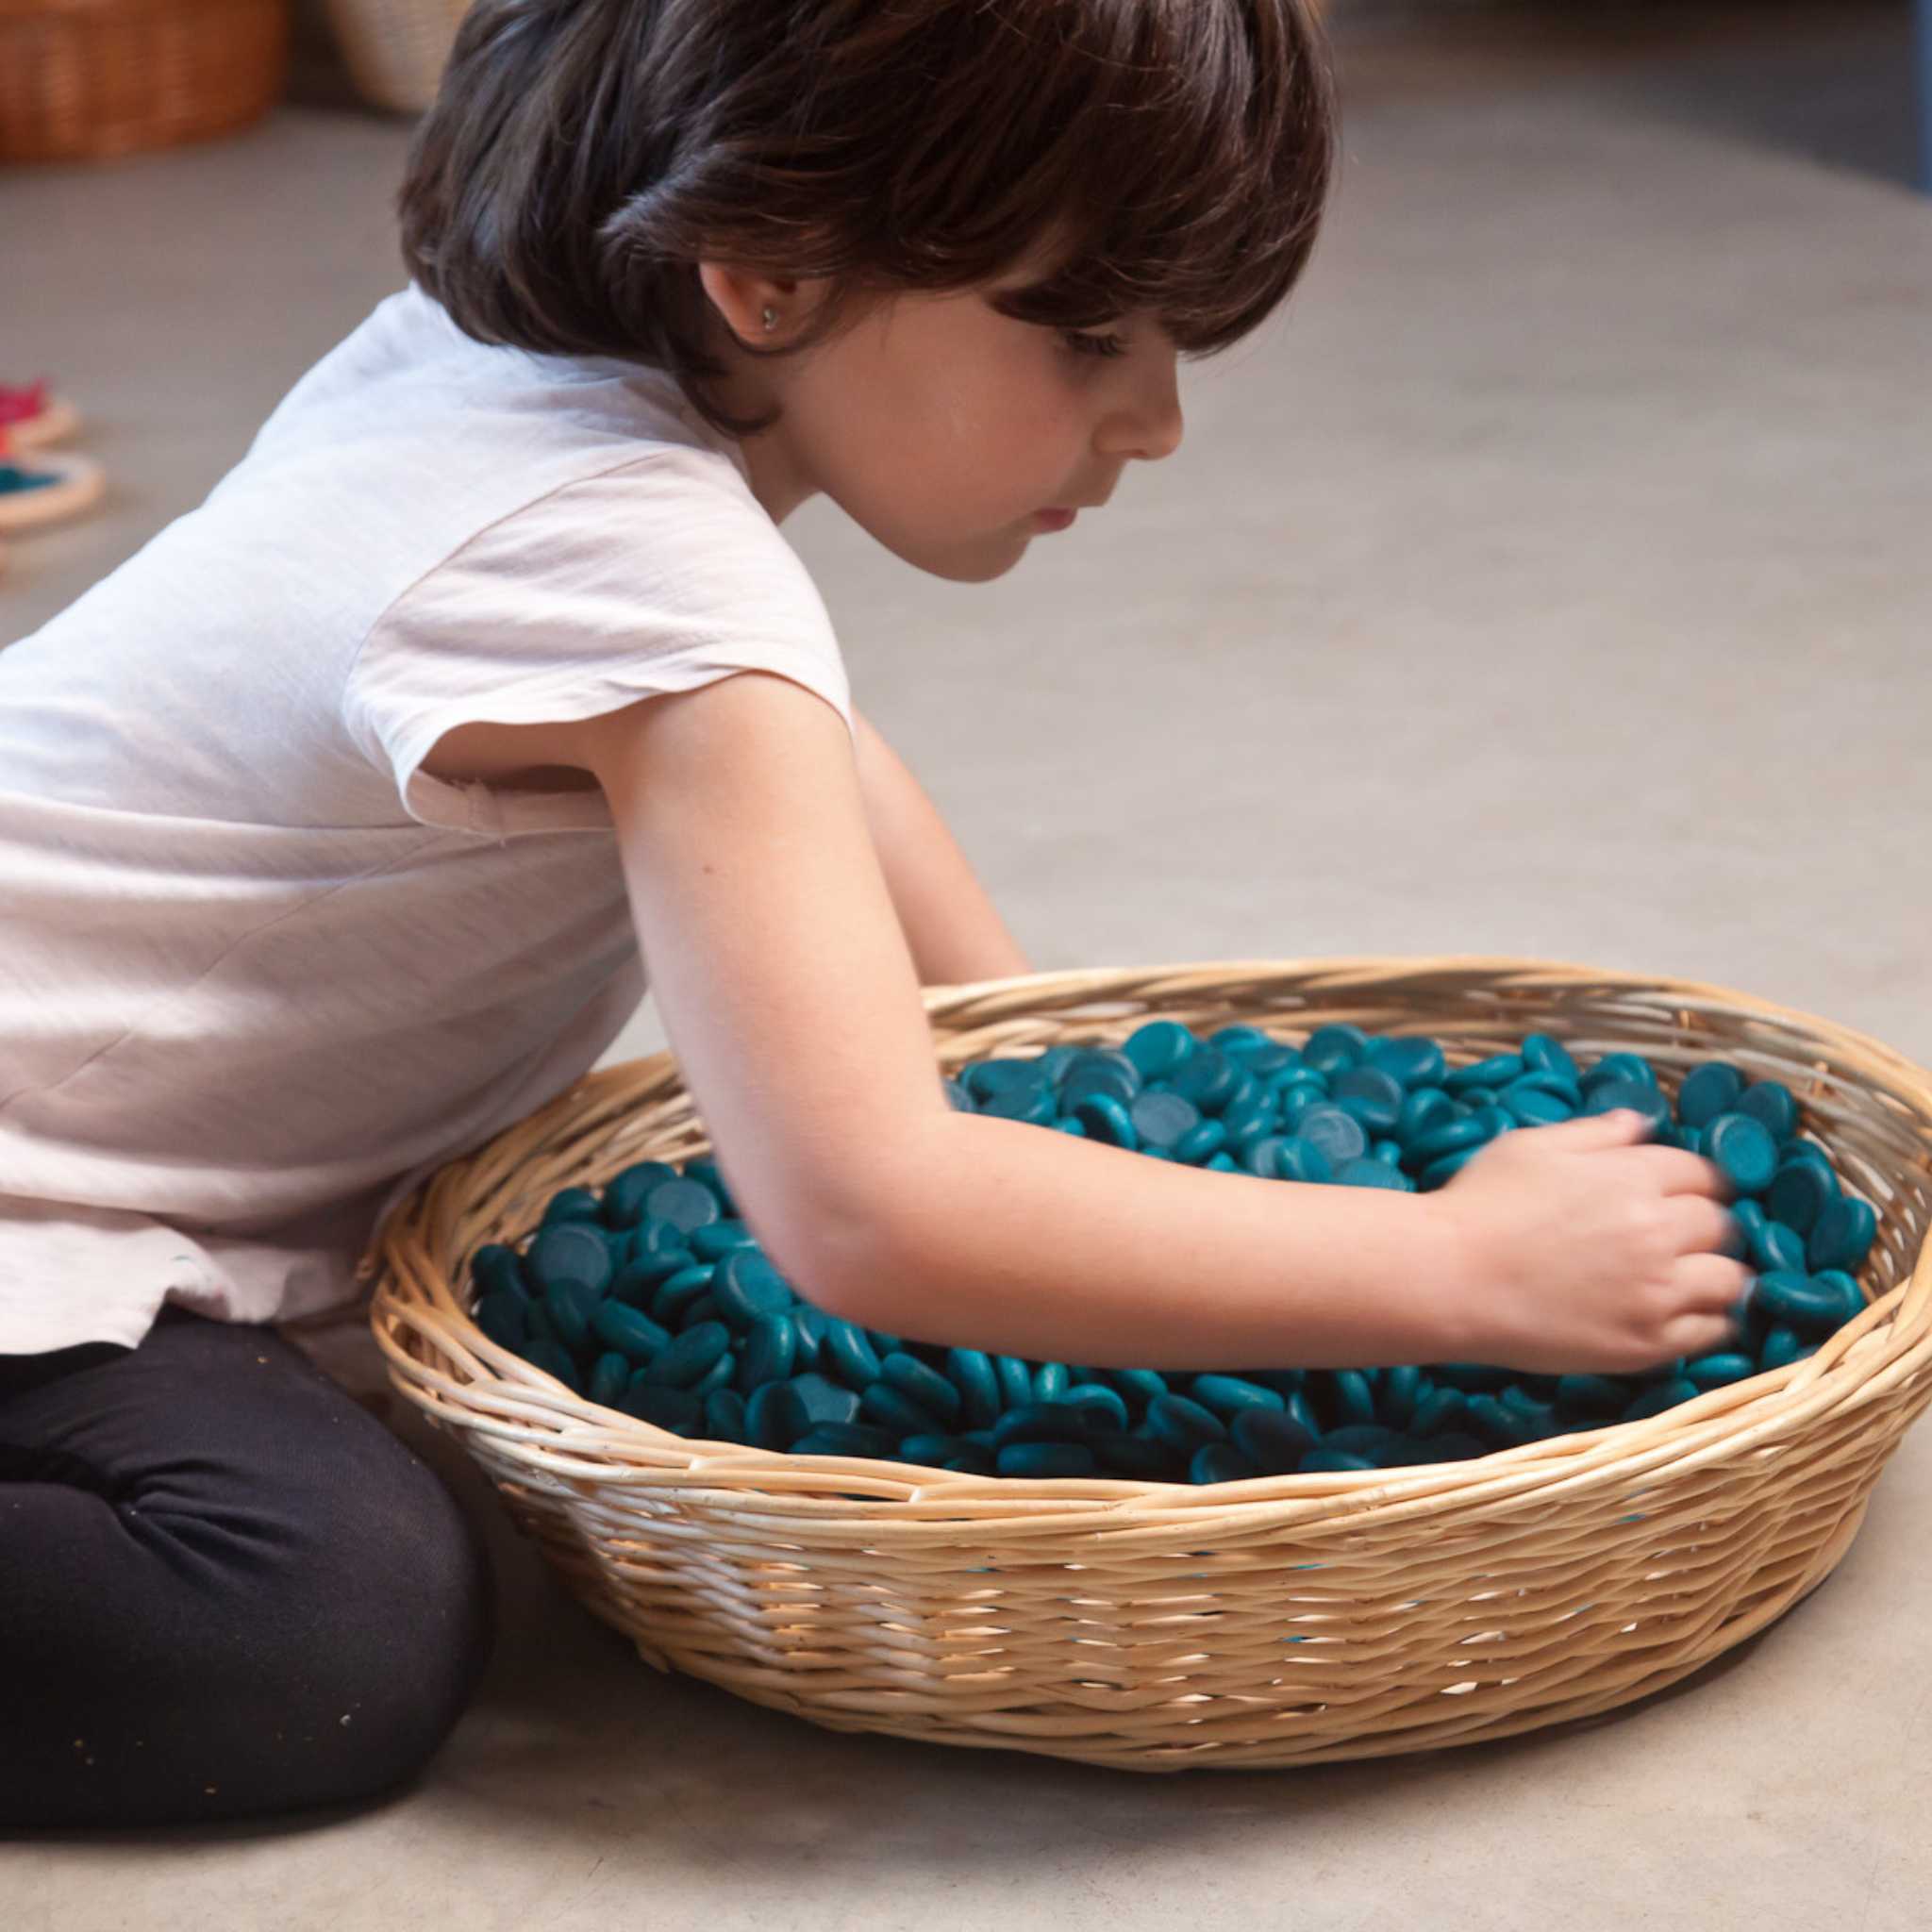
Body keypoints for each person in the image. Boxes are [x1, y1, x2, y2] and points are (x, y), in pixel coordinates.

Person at [0, 0, 1749, 1830]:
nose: (1152, 419)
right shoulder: (628, 566)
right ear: (762, 265)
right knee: (312, 1619)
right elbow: (866, 1212)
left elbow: (812, 750)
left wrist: (1050, 1067)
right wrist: (1463, 1270)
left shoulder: (488, 388)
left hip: (90, 1204)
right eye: (1086, 335)